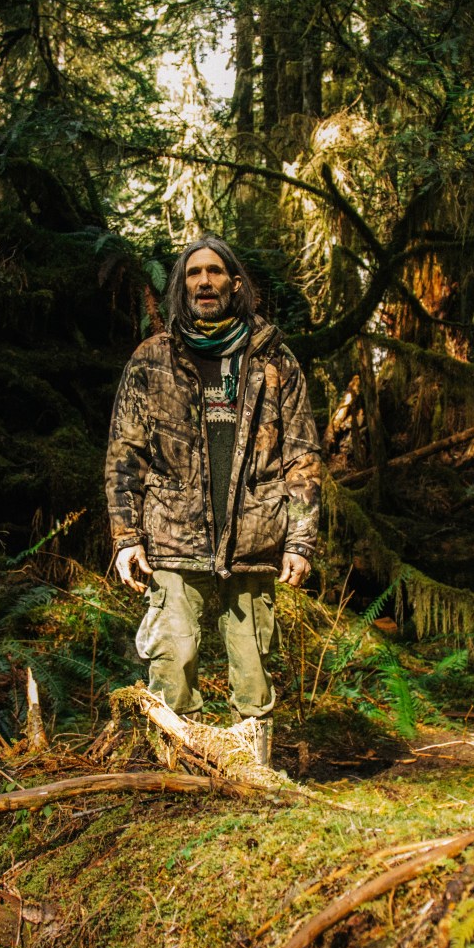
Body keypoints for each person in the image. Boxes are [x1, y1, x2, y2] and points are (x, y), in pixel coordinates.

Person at [104, 236, 322, 767]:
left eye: (216, 272)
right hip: (173, 540)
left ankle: (255, 781)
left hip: (254, 540)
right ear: (182, 286)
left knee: (252, 672)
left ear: (235, 284)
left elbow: (303, 456)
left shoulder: (275, 360)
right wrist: (125, 537)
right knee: (172, 662)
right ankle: (177, 779)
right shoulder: (151, 359)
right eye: (194, 273)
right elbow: (123, 454)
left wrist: (300, 540)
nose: (205, 281)